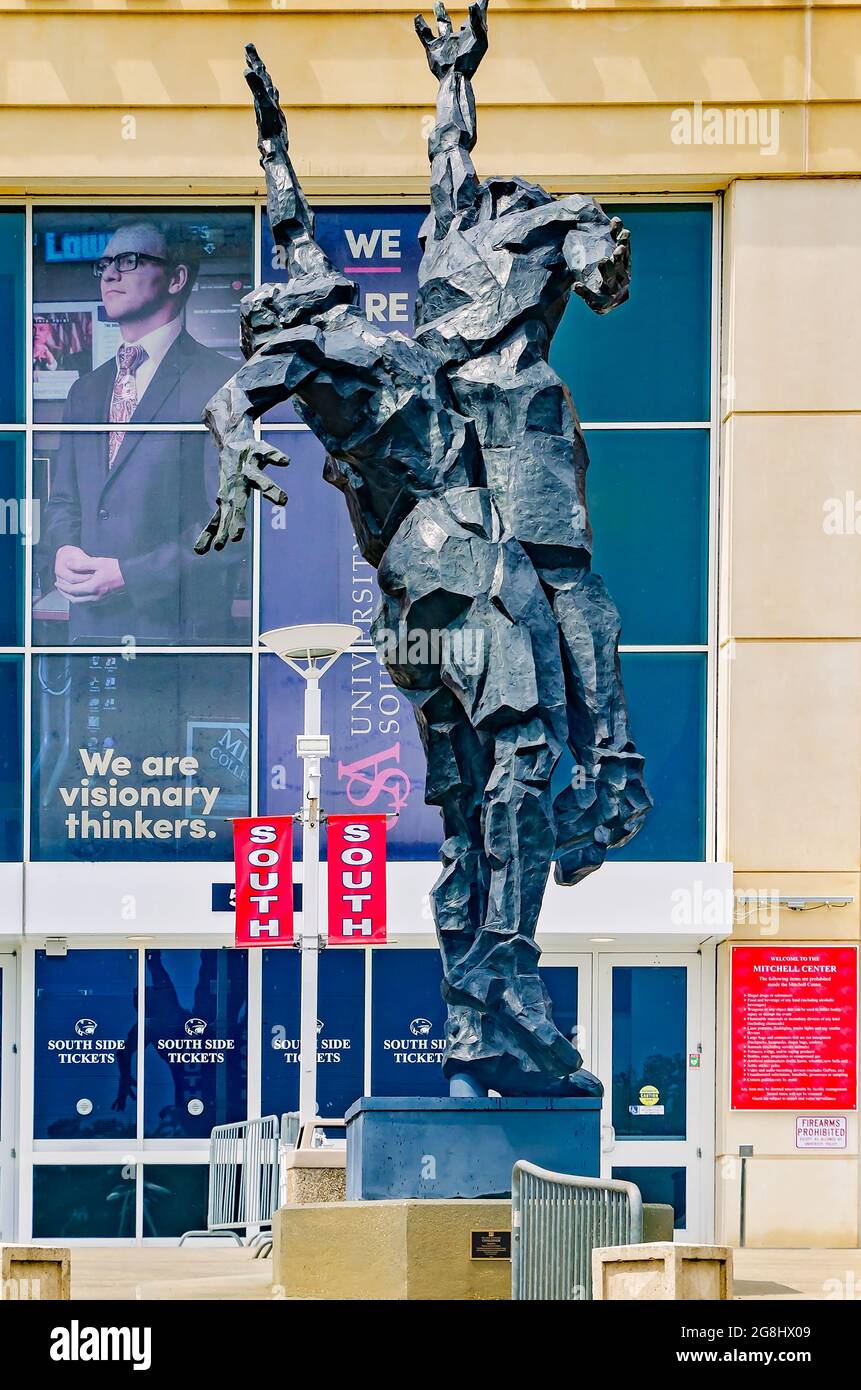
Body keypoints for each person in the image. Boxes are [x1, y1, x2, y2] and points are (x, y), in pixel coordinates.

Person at [196, 26, 650, 1098]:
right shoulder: (372, 355)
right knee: (525, 766)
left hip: (417, 608)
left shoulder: (378, 345)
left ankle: (479, 1014)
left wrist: (290, 145)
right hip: (470, 579)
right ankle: (512, 971)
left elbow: (338, 230)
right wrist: (233, 427)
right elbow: (278, 345)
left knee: (468, 797)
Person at [44, 218, 240, 642]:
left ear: (176, 278)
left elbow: (231, 525)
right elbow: (63, 500)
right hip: (91, 629)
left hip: (180, 633)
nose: (110, 273)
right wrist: (63, 550)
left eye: (128, 260)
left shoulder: (222, 382)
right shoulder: (85, 391)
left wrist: (128, 575)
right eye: (105, 264)